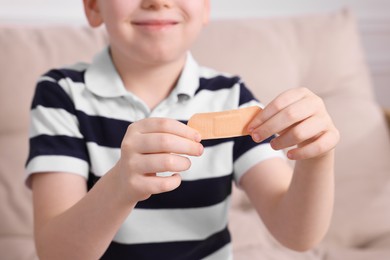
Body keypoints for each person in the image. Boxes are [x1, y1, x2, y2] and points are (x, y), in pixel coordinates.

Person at [26, 0, 340, 259]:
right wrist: (120, 185)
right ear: (93, 7)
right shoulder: (61, 94)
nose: (157, 2)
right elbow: (56, 253)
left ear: (205, 8)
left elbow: (297, 234)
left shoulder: (230, 96)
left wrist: (316, 155)